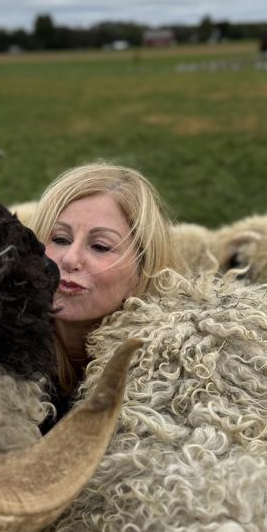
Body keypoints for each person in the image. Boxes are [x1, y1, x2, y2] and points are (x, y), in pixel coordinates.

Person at [29, 161, 184, 429]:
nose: (70, 259)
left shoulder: (172, 379)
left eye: (100, 246)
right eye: (60, 239)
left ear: (143, 270)